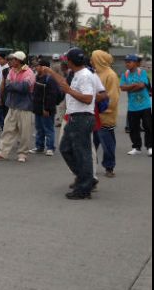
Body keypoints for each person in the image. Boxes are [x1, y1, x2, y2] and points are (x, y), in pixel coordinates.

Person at [39, 47, 98, 199]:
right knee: (65, 148)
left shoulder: (85, 76)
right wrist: (51, 73)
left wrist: (69, 91)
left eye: (67, 60)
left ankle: (84, 188)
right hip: (75, 117)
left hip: (82, 118)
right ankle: (86, 178)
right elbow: (64, 83)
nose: (65, 63)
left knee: (82, 153)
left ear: (71, 62)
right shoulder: (78, 73)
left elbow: (88, 98)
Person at [0, 51, 35, 162]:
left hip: (24, 106)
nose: (11, 61)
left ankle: (22, 154)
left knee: (24, 132)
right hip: (12, 105)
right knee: (7, 130)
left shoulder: (29, 72)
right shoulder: (11, 71)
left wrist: (13, 85)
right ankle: (2, 153)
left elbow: (24, 87)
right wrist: (15, 85)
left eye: (13, 59)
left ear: (19, 60)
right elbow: (7, 85)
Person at [90, 50, 121, 177]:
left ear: (99, 60)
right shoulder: (94, 73)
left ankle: (109, 167)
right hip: (94, 115)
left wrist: (104, 110)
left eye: (92, 58)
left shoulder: (110, 75)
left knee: (107, 144)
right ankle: (91, 166)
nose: (91, 61)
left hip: (105, 116)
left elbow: (113, 97)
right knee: (92, 144)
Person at [120, 54, 152, 156]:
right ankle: (136, 147)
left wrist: (129, 87)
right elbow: (122, 88)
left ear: (135, 63)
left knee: (148, 127)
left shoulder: (141, 72)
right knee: (134, 128)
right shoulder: (125, 74)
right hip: (132, 107)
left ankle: (149, 147)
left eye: (129, 62)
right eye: (126, 62)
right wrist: (134, 85)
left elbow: (142, 86)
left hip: (145, 105)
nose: (127, 64)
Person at [30, 59, 60, 155]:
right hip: (38, 108)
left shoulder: (50, 79)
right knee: (39, 129)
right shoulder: (37, 77)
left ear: (44, 67)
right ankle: (39, 147)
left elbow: (51, 96)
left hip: (46, 109)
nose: (36, 67)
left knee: (48, 129)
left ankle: (50, 148)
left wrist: (47, 109)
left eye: (38, 66)